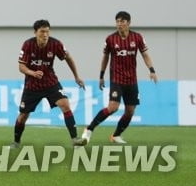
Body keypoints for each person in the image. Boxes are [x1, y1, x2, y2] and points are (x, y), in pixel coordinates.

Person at [81, 11, 158, 144]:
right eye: (117, 21)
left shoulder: (137, 37)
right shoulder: (110, 39)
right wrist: (101, 75)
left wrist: (152, 70)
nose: (119, 24)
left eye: (122, 21)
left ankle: (116, 135)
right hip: (117, 79)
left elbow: (145, 54)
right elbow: (105, 57)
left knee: (130, 111)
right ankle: (89, 129)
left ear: (128, 23)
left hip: (132, 80)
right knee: (113, 107)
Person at [12, 19, 88, 148]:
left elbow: (68, 58)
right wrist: (32, 73)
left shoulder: (55, 44)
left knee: (65, 104)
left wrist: (76, 76)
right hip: (32, 85)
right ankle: (16, 141)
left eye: (47, 31)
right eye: (42, 32)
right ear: (35, 32)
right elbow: (21, 67)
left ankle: (75, 138)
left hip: (50, 82)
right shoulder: (28, 45)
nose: (45, 35)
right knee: (23, 115)